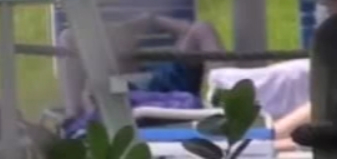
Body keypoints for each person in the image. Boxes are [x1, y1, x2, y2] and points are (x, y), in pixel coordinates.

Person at [55, 13, 221, 119]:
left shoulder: (166, 74)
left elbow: (190, 29)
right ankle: (72, 116)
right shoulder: (99, 83)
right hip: (119, 94)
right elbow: (68, 38)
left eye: (119, 31)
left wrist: (153, 20)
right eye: (108, 33)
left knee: (203, 28)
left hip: (166, 88)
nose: (115, 37)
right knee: (67, 36)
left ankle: (229, 101)